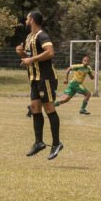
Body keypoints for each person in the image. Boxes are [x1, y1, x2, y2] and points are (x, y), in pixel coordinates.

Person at [16, 10, 62, 159]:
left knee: (49, 108)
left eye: (27, 17)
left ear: (33, 20)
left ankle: (56, 143)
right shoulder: (29, 37)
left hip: (46, 78)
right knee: (35, 108)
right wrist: (21, 53)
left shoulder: (42, 35)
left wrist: (31, 60)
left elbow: (50, 52)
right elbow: (28, 56)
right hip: (34, 78)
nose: (26, 20)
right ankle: (39, 142)